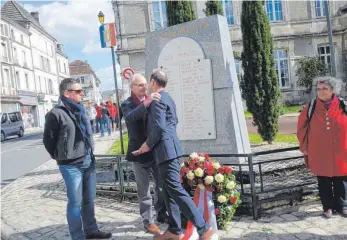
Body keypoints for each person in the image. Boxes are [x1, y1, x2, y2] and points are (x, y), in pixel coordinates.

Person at [138, 71, 212, 240]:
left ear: (153, 82)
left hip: (165, 152)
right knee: (169, 192)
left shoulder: (157, 99)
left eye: (149, 83)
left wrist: (147, 144)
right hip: (169, 150)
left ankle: (203, 228)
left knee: (176, 191)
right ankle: (174, 229)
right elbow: (174, 122)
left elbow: (159, 127)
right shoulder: (168, 98)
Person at [43, 78, 112, 240]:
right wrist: (60, 156)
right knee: (75, 202)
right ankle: (77, 236)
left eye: (82, 90)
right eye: (78, 91)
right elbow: (48, 140)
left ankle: (91, 230)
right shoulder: (55, 113)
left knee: (89, 199)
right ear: (67, 93)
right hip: (71, 165)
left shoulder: (81, 110)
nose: (82, 93)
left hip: (88, 160)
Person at [121, 73, 167, 235]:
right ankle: (148, 221)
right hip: (138, 153)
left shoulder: (153, 99)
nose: (143, 87)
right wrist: (146, 103)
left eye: (144, 84)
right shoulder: (127, 104)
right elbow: (130, 118)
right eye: (139, 85)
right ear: (132, 87)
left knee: (161, 185)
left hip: (154, 151)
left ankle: (161, 212)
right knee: (144, 190)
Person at [297, 76, 347, 218]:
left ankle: (343, 205)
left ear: (333, 90)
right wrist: (304, 146)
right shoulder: (310, 107)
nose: (321, 91)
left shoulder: (343, 105)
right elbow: (301, 129)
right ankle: (328, 207)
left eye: (324, 89)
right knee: (323, 180)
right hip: (319, 151)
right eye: (318, 89)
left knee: (342, 179)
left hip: (341, 150)